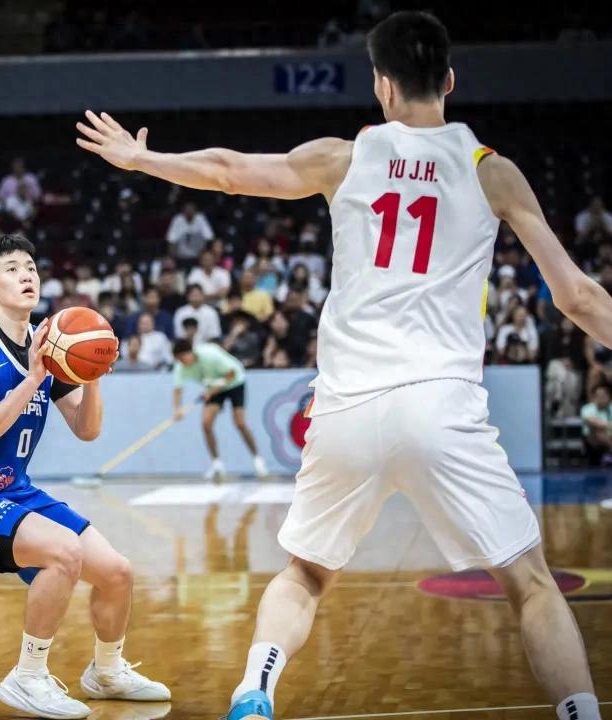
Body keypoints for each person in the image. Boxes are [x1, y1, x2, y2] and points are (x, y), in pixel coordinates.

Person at [77, 11, 606, 719]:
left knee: (304, 575)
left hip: (346, 408)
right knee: (533, 586)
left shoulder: (344, 157)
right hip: (440, 408)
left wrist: (144, 160)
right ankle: (578, 711)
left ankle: (254, 692)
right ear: (448, 80)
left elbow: (232, 173)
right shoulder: (494, 173)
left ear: (382, 87)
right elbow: (575, 295)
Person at [0, 234, 169, 719]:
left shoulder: (50, 345)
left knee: (117, 573)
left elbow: (86, 430)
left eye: (32, 267)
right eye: (13, 268)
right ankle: (28, 676)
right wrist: (34, 377)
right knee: (64, 554)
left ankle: (107, 671)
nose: (27, 275)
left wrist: (93, 373)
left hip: (16, 491)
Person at [171, 339, 268, 480]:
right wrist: (177, 409)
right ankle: (217, 465)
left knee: (240, 423)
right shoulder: (180, 367)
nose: (182, 362)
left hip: (235, 382)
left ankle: (258, 460)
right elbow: (178, 389)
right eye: (178, 359)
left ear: (190, 352)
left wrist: (213, 390)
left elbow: (231, 374)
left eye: (183, 358)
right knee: (206, 424)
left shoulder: (210, 354)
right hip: (212, 388)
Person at [580, 383, 612, 465]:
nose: (601, 399)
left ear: (609, 397)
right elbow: (593, 422)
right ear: (594, 397)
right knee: (597, 430)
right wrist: (608, 426)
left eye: (603, 396)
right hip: (592, 440)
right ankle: (609, 452)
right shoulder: (587, 408)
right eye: (598, 396)